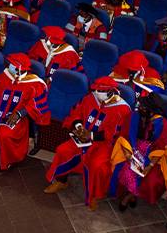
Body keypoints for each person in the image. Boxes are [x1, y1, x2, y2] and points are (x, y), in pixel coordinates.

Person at [44, 76, 131, 211]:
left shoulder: (122, 109)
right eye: (97, 90)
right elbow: (76, 112)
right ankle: (62, 181)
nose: (98, 93)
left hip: (103, 144)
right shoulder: (91, 98)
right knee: (63, 149)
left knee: (97, 165)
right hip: (82, 137)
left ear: (110, 92)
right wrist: (78, 127)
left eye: (101, 91)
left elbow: (114, 135)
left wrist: (90, 135)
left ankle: (94, 195)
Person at [0, 53, 50, 174]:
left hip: (17, 117)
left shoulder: (36, 84)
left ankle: (9, 162)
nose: (10, 67)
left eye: (13, 65)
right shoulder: (6, 75)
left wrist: (19, 113)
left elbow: (37, 104)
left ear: (20, 69)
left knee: (4, 133)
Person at [109, 92, 167, 210]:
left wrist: (150, 165)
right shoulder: (133, 116)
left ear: (152, 111)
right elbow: (124, 137)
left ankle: (128, 196)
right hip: (132, 148)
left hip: (152, 154)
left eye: (144, 107)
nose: (140, 107)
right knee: (126, 169)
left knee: (151, 181)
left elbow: (161, 149)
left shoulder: (162, 124)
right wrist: (128, 155)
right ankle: (131, 195)